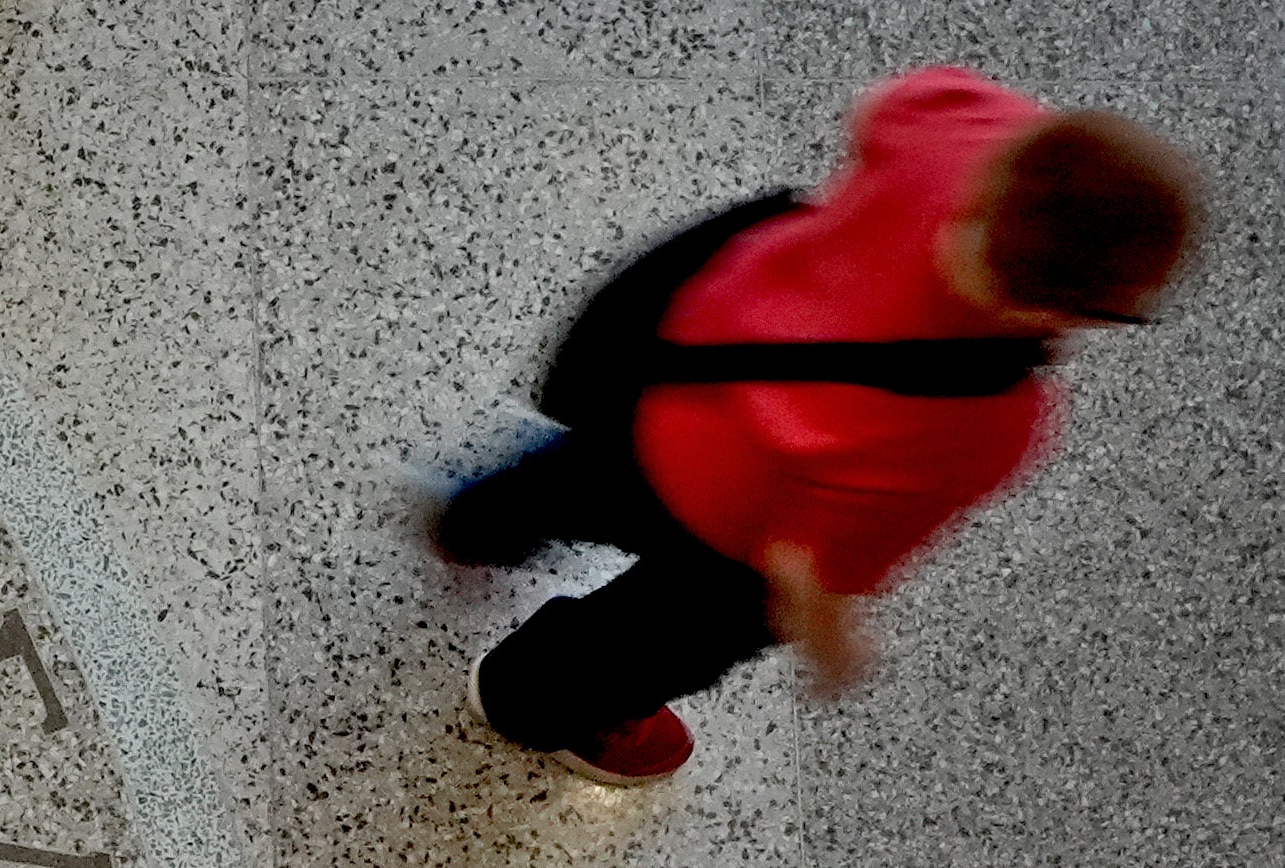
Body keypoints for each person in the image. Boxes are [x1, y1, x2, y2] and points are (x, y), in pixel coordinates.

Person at [436, 69, 1192, 788]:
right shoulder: (986, 421)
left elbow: (875, 110)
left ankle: (475, 519)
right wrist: (837, 648)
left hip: (680, 358)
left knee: (574, 479)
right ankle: (522, 698)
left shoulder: (972, 129)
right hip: (725, 523)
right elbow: (807, 565)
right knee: (652, 638)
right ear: (1049, 311)